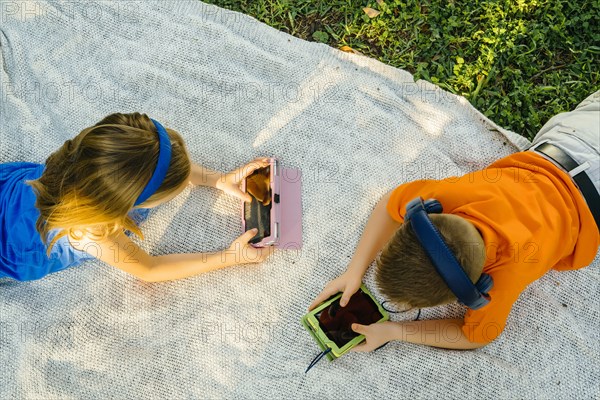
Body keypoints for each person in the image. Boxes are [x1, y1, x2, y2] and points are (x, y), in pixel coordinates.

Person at [309, 90, 600, 350]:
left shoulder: (504, 275)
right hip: (577, 135)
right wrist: (353, 272)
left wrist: (395, 331)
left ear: (475, 291)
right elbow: (389, 204)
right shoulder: (450, 197)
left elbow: (476, 336)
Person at [0, 112, 274, 282]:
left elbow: (154, 165)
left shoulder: (99, 159)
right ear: (131, 203)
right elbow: (150, 270)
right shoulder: (93, 234)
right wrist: (228, 257)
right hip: (14, 248)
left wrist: (217, 179)